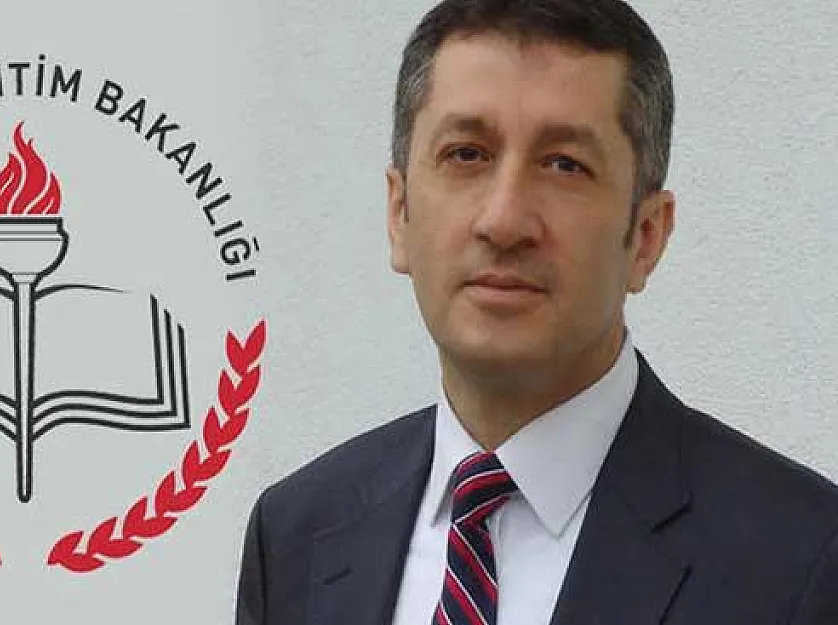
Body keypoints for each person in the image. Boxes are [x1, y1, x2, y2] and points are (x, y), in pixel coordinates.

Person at [234, 1, 838, 624]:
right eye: (466, 154)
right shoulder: (295, 538)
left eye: (564, 165)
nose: (504, 221)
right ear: (399, 214)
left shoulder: (803, 562)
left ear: (647, 236)